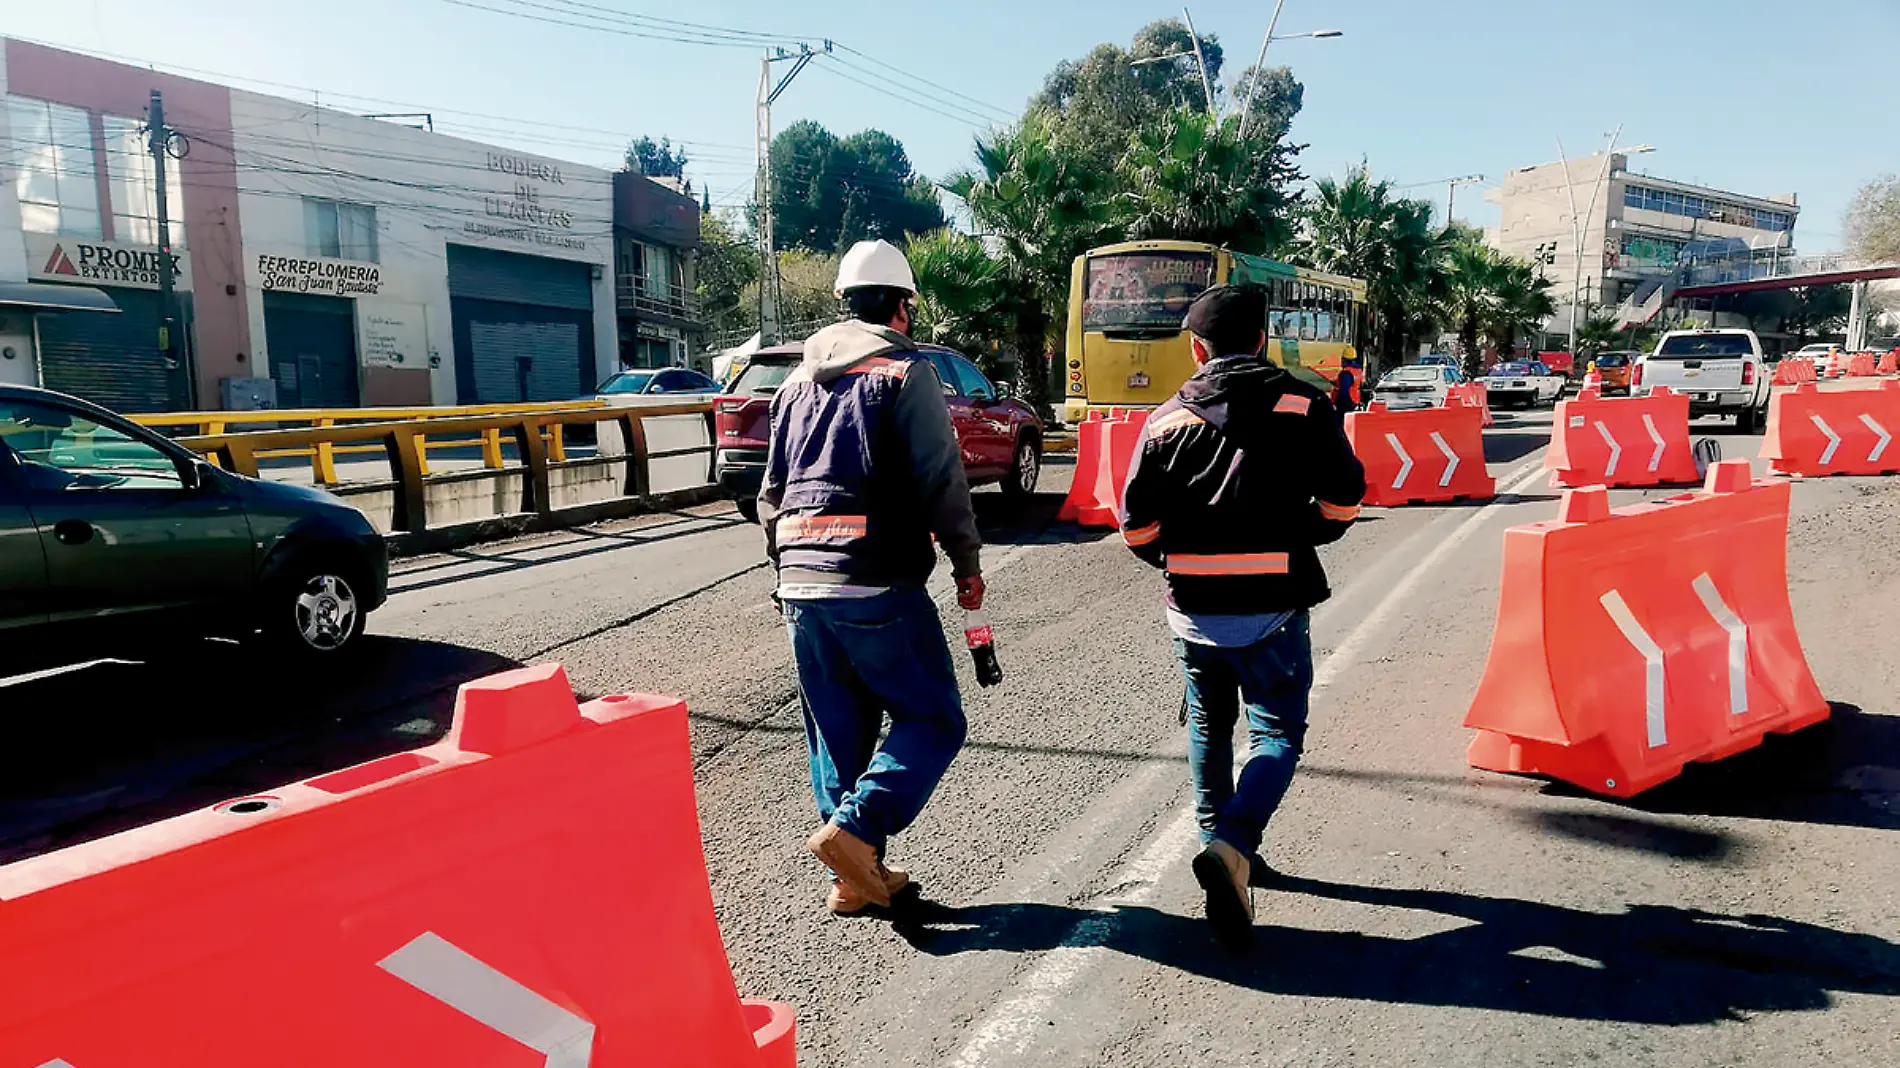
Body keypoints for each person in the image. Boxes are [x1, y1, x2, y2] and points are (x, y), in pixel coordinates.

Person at [1119, 284, 1367, 944]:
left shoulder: (1165, 419)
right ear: (1262, 340)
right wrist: (1297, 535)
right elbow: (1345, 501)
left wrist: (1181, 565)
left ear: (1197, 349)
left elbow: (1137, 529)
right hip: (1273, 611)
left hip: (1193, 615)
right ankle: (1233, 847)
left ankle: (1218, 846)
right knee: (1278, 736)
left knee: (1208, 724)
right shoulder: (1304, 403)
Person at [757, 239, 985, 916]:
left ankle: (855, 877)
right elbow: (941, 479)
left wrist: (786, 570)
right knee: (933, 719)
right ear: (902, 308)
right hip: (875, 576)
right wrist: (967, 564)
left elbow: (771, 491)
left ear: (843, 303)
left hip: (800, 579)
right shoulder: (903, 370)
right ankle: (855, 833)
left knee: (838, 731)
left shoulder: (796, 380)